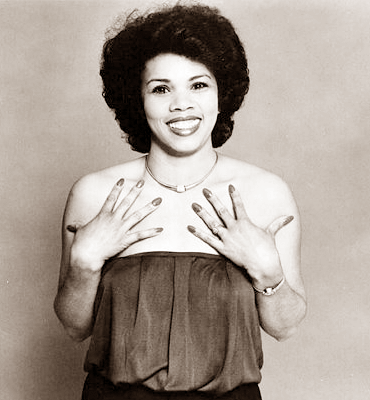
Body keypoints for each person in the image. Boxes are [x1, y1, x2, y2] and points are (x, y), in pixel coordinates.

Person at [54, 4, 307, 399]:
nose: (181, 104)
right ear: (138, 100)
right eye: (161, 89)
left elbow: (285, 327)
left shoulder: (265, 192)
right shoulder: (95, 193)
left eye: (198, 85)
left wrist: (268, 273)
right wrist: (84, 264)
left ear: (222, 94)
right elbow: (74, 327)